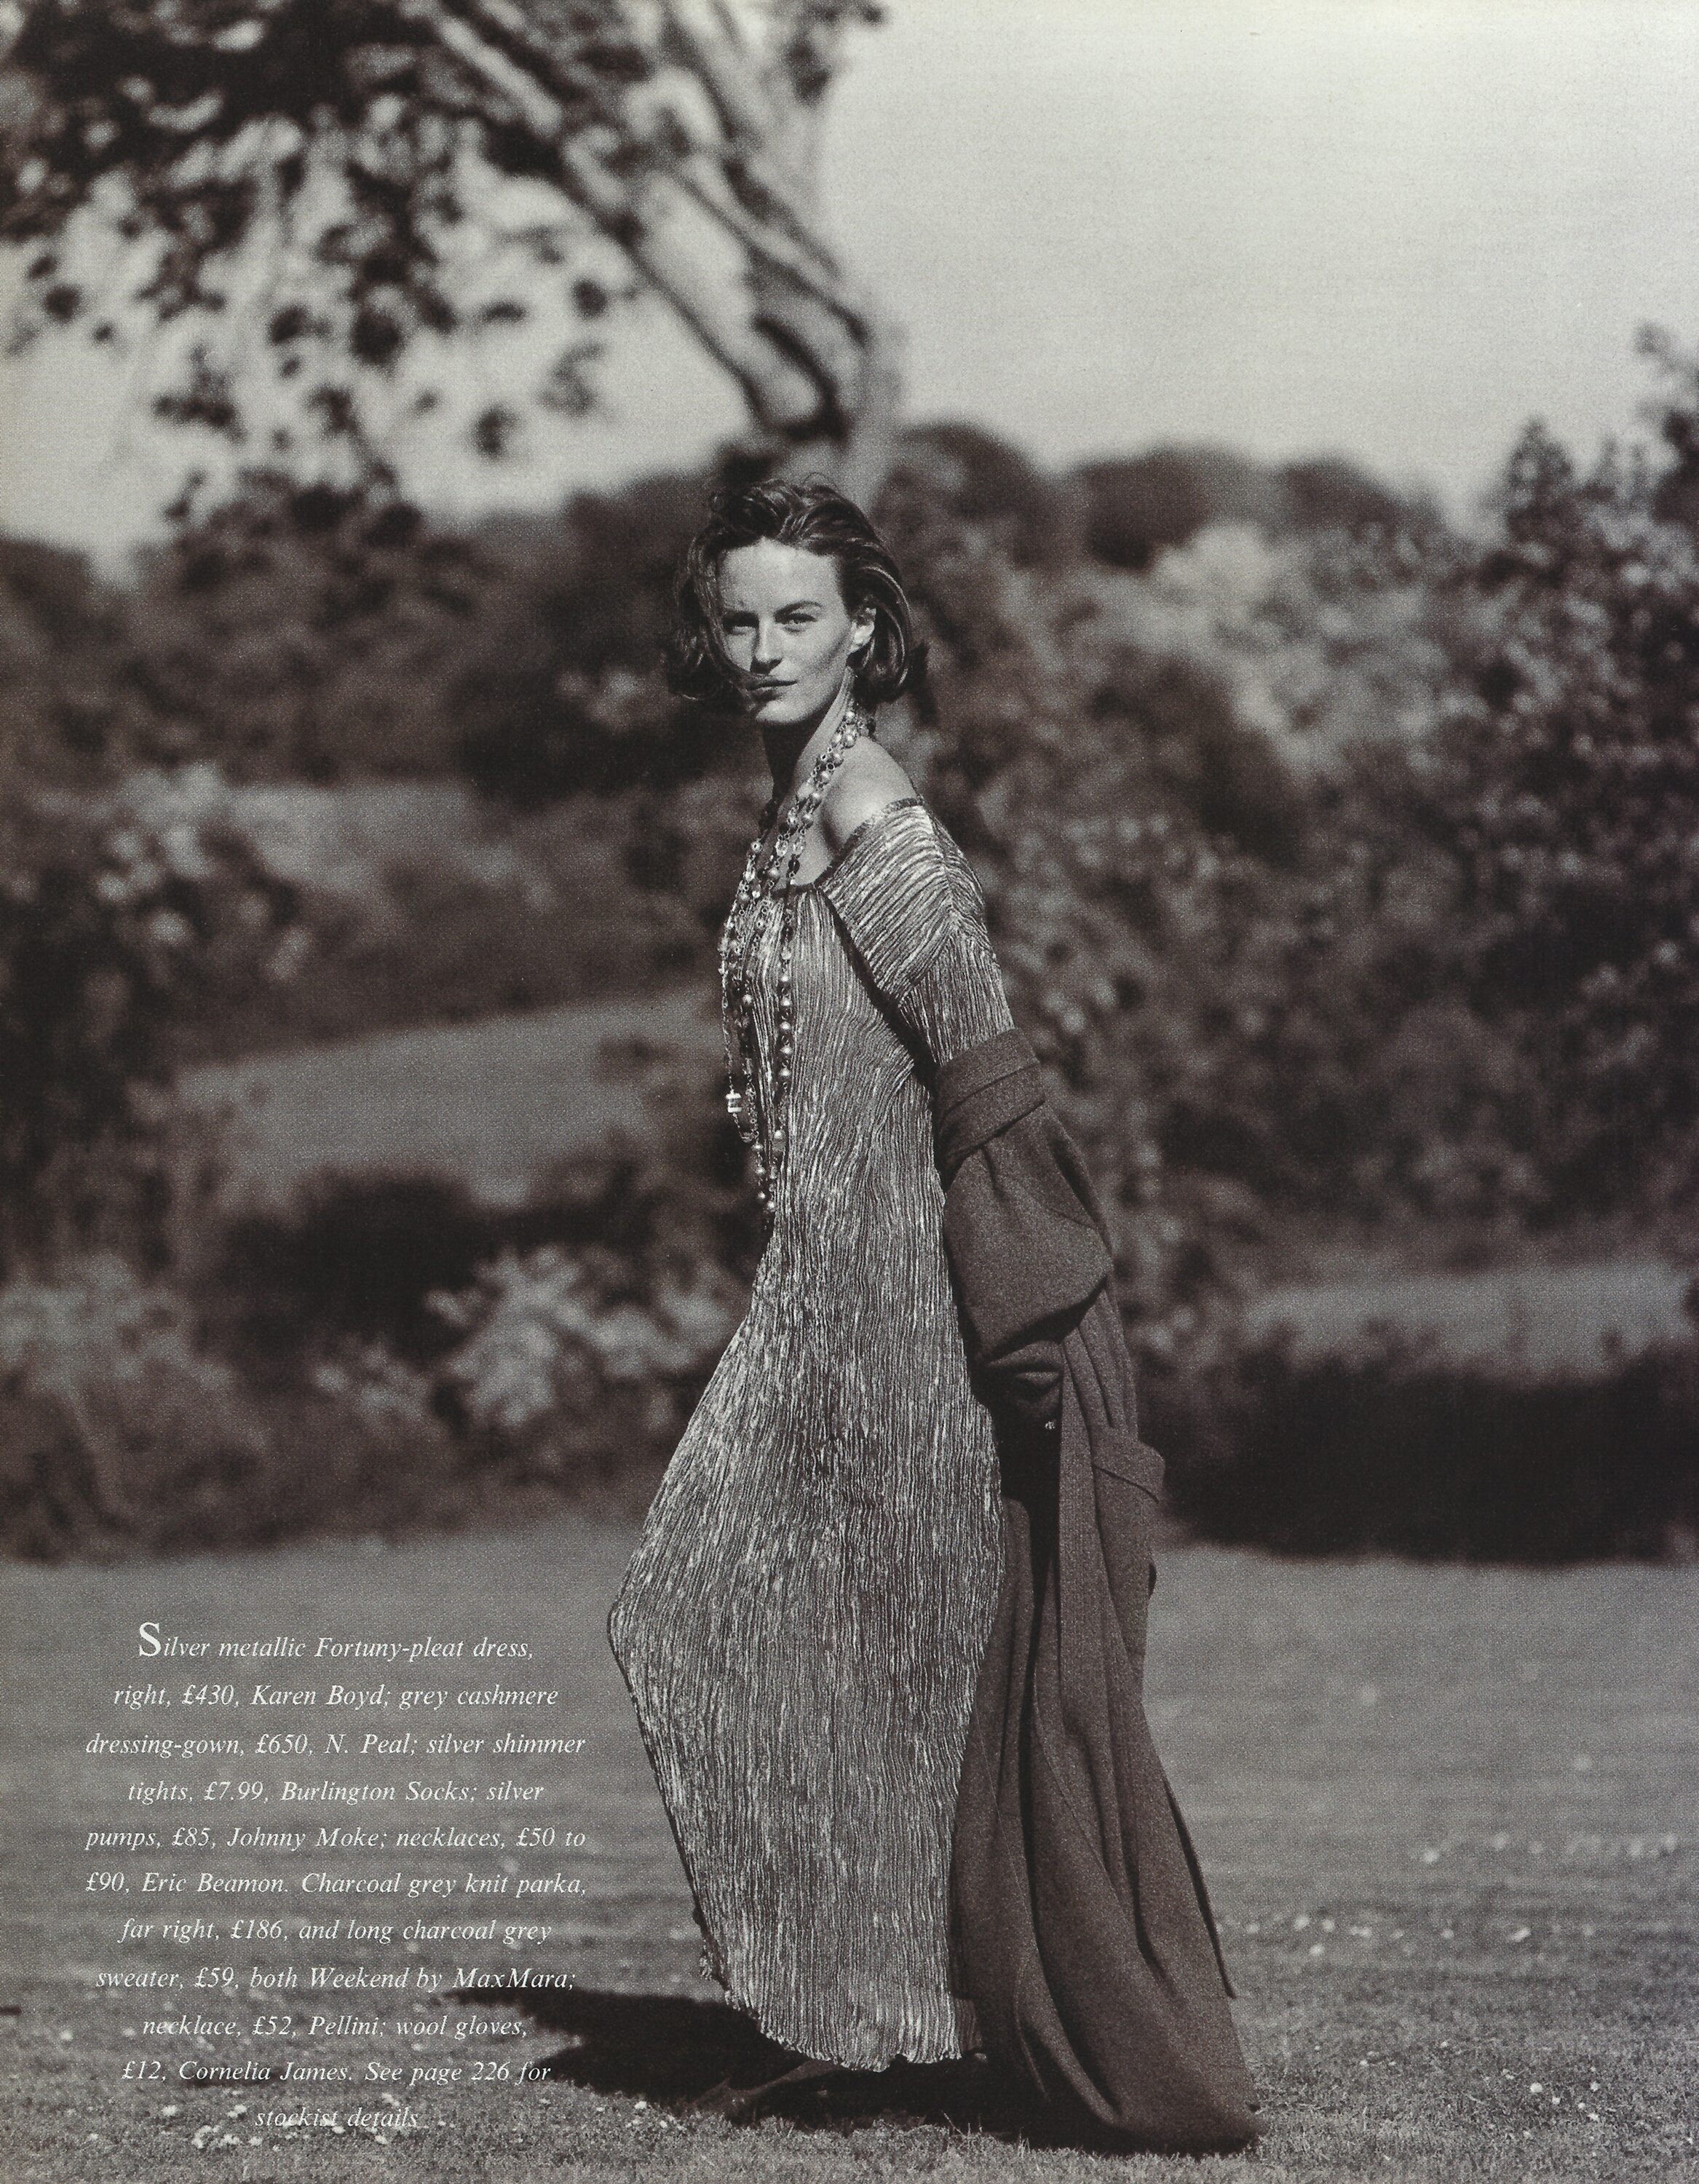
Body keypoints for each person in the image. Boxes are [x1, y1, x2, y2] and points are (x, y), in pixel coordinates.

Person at [606, 478, 1259, 2152]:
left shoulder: (875, 812)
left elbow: (983, 1070)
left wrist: (1036, 1316)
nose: (763, 648)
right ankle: (869, 2016)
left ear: (866, 632)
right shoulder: (786, 807)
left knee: (758, 1622)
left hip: (914, 1300)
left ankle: (891, 2022)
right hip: (818, 1283)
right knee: (768, 1630)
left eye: (798, 617)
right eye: (739, 620)